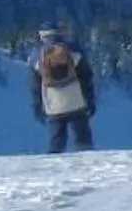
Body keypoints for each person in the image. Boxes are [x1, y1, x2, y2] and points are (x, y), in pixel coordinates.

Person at [27, 25, 97, 153]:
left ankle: (54, 169)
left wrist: (37, 107)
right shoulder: (73, 50)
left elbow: (35, 86)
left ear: (42, 36)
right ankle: (87, 169)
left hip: (53, 105)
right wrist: (90, 99)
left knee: (56, 142)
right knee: (83, 142)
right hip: (76, 102)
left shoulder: (37, 56)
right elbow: (86, 77)